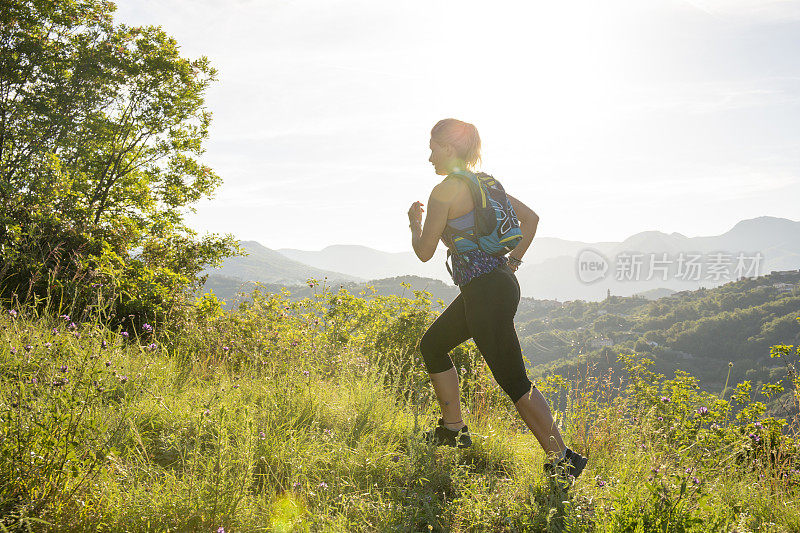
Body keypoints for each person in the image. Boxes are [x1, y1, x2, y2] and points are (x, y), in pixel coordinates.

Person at [408, 118, 587, 482]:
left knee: (514, 380)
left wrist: (414, 223)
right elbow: (530, 219)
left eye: (432, 148)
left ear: (448, 148)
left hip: (486, 293)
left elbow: (425, 251)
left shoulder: (443, 191)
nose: (429, 157)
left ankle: (563, 458)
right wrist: (512, 263)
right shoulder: (487, 184)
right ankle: (453, 430)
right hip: (496, 285)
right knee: (433, 345)